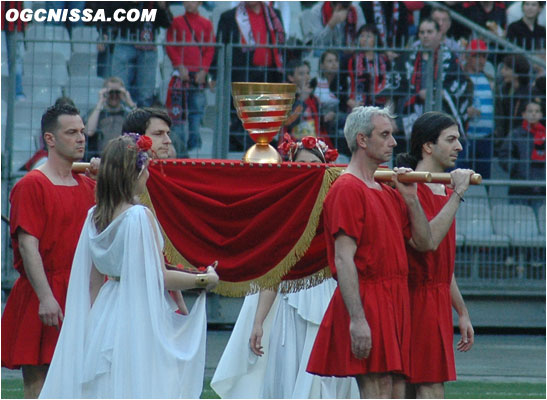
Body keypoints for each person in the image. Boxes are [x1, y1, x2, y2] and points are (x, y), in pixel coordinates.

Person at [38, 134, 219, 398]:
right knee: (137, 380)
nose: (148, 176)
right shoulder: (138, 217)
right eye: (146, 170)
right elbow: (159, 276)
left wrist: (89, 326)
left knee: (107, 381)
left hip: (105, 311)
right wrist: (204, 279)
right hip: (135, 310)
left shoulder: (95, 216)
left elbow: (94, 282)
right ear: (134, 173)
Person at [211, 135, 356, 399]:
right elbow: (275, 272)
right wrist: (258, 321)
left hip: (329, 298)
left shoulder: (338, 201)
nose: (310, 169)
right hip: (291, 304)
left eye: (315, 163)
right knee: (287, 375)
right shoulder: (286, 211)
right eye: (302, 163)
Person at [306, 106, 435, 398]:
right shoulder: (348, 188)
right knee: (378, 388)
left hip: (394, 296)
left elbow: (425, 243)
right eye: (385, 135)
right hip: (370, 298)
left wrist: (412, 200)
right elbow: (343, 259)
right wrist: (358, 318)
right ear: (362, 140)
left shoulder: (386, 190)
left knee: (395, 388)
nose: (394, 143)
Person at [1, 104, 96, 398]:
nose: (80, 138)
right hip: (46, 290)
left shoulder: (89, 184)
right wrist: (45, 297)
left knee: (83, 380)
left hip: (80, 289)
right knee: (40, 381)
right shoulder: (32, 185)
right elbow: (29, 246)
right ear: (50, 139)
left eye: (82, 131)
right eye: (71, 133)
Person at [396, 111, 475, 398]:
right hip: (414, 298)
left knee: (417, 386)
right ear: (428, 146)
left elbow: (444, 267)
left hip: (437, 299)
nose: (459, 147)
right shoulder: (407, 188)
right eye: (451, 139)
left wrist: (462, 312)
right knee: (425, 387)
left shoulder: (442, 188)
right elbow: (427, 242)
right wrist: (458, 194)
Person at [214, 1, 285, 151]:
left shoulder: (274, 16)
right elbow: (219, 50)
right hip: (242, 78)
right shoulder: (229, 17)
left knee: (266, 123)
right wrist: (213, 76)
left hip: (268, 77)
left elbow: (281, 47)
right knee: (241, 124)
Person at [395, 18, 472, 143]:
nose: (425, 36)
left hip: (441, 117)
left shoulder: (450, 58)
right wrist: (418, 95)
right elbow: (400, 86)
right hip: (411, 116)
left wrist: (435, 93)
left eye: (429, 32)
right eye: (422, 32)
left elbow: (458, 84)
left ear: (439, 34)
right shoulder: (408, 57)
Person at [165, 1, 215, 157]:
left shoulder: (206, 24)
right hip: (181, 75)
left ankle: (194, 147)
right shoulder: (176, 22)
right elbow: (170, 44)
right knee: (178, 116)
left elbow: (210, 48)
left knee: (196, 113)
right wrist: (178, 65)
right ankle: (180, 149)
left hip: (197, 77)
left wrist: (204, 70)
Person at [111, 1, 172, 107]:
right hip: (126, 41)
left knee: (146, 94)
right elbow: (111, 14)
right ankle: (122, 119)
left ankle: (143, 120)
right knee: (120, 89)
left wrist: (162, 7)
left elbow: (167, 23)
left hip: (148, 47)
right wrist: (131, 4)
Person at [498, 100, 545, 209]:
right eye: (530, 111)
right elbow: (504, 156)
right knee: (519, 220)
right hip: (519, 187)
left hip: (541, 189)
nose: (533, 114)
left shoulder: (545, 135)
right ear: (523, 114)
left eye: (537, 111)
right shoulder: (515, 134)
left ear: (541, 114)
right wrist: (517, 168)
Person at [461, 39, 495, 179]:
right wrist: (465, 112)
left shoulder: (489, 78)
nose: (480, 60)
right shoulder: (461, 77)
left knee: (484, 177)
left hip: (486, 137)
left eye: (483, 57)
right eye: (476, 56)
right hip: (466, 137)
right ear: (468, 57)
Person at [85, 76, 136, 159]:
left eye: (117, 92)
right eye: (111, 92)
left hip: (124, 158)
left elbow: (141, 127)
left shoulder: (128, 114)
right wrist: (100, 102)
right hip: (102, 158)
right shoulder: (97, 113)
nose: (114, 95)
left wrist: (130, 103)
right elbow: (89, 131)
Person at [347, 24, 391, 110]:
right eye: (362, 36)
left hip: (380, 105)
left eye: (368, 36)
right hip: (358, 105)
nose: (364, 39)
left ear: (375, 39)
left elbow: (388, 84)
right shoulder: (352, 60)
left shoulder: (384, 60)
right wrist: (350, 101)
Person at [315, 50, 349, 155]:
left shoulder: (345, 82)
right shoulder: (315, 82)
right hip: (320, 115)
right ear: (322, 65)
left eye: (336, 61)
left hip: (339, 115)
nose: (334, 64)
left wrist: (334, 114)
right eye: (329, 61)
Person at [283, 59, 321, 139]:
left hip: (312, 146)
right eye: (301, 74)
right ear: (291, 77)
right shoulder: (286, 98)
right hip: (291, 147)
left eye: (307, 73)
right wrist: (301, 101)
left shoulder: (314, 99)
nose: (307, 77)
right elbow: (288, 123)